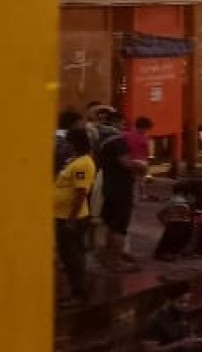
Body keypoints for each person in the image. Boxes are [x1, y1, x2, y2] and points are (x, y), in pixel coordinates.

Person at [97, 121, 147, 272]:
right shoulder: (117, 142)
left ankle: (108, 259)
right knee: (120, 227)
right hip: (121, 189)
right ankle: (116, 262)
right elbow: (126, 163)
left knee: (112, 225)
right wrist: (141, 167)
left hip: (109, 187)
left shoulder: (102, 144)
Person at [54, 127, 95, 303]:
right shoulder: (74, 161)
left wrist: (71, 219)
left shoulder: (83, 164)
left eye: (69, 142)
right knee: (69, 257)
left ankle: (79, 294)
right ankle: (75, 291)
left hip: (73, 219)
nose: (66, 145)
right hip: (63, 216)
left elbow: (80, 193)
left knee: (73, 258)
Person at [141, 285, 202, 351]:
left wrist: (195, 342)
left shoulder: (182, 314)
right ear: (168, 300)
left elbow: (186, 337)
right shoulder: (154, 320)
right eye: (181, 302)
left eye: (187, 301)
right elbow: (151, 351)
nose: (185, 305)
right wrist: (180, 344)